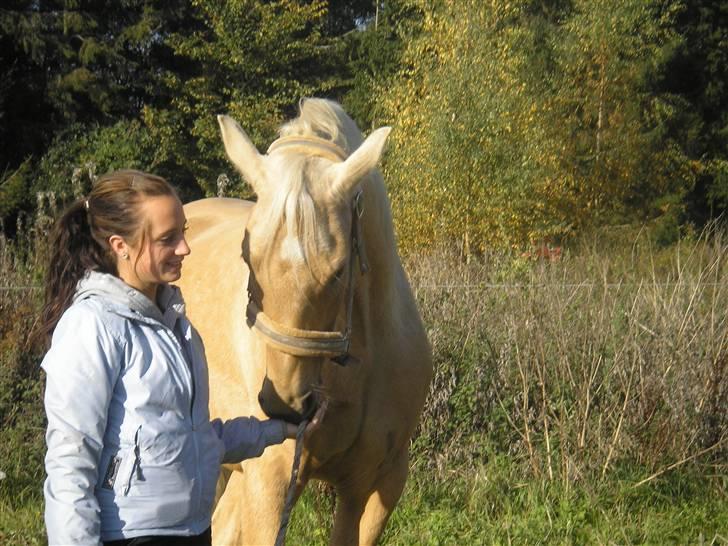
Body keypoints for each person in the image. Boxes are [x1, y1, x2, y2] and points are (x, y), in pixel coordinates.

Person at [37, 170, 316, 546]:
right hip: (132, 536)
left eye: (183, 232)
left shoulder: (175, 325)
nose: (185, 248)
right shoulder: (91, 327)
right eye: (168, 239)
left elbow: (193, 439)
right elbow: (70, 465)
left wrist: (279, 430)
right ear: (120, 245)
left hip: (193, 531)